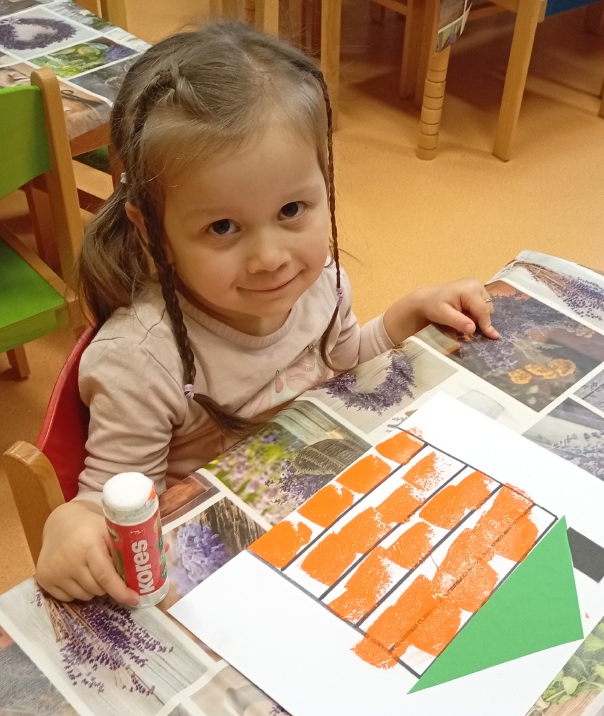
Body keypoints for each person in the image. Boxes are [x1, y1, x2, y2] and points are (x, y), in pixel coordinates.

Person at [36, 20, 498, 604]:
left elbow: (341, 361)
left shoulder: (322, 285)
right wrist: (70, 526)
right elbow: (116, 503)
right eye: (222, 227)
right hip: (227, 570)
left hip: (330, 521)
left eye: (292, 210)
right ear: (152, 232)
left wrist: (408, 314)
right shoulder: (140, 362)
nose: (271, 258)